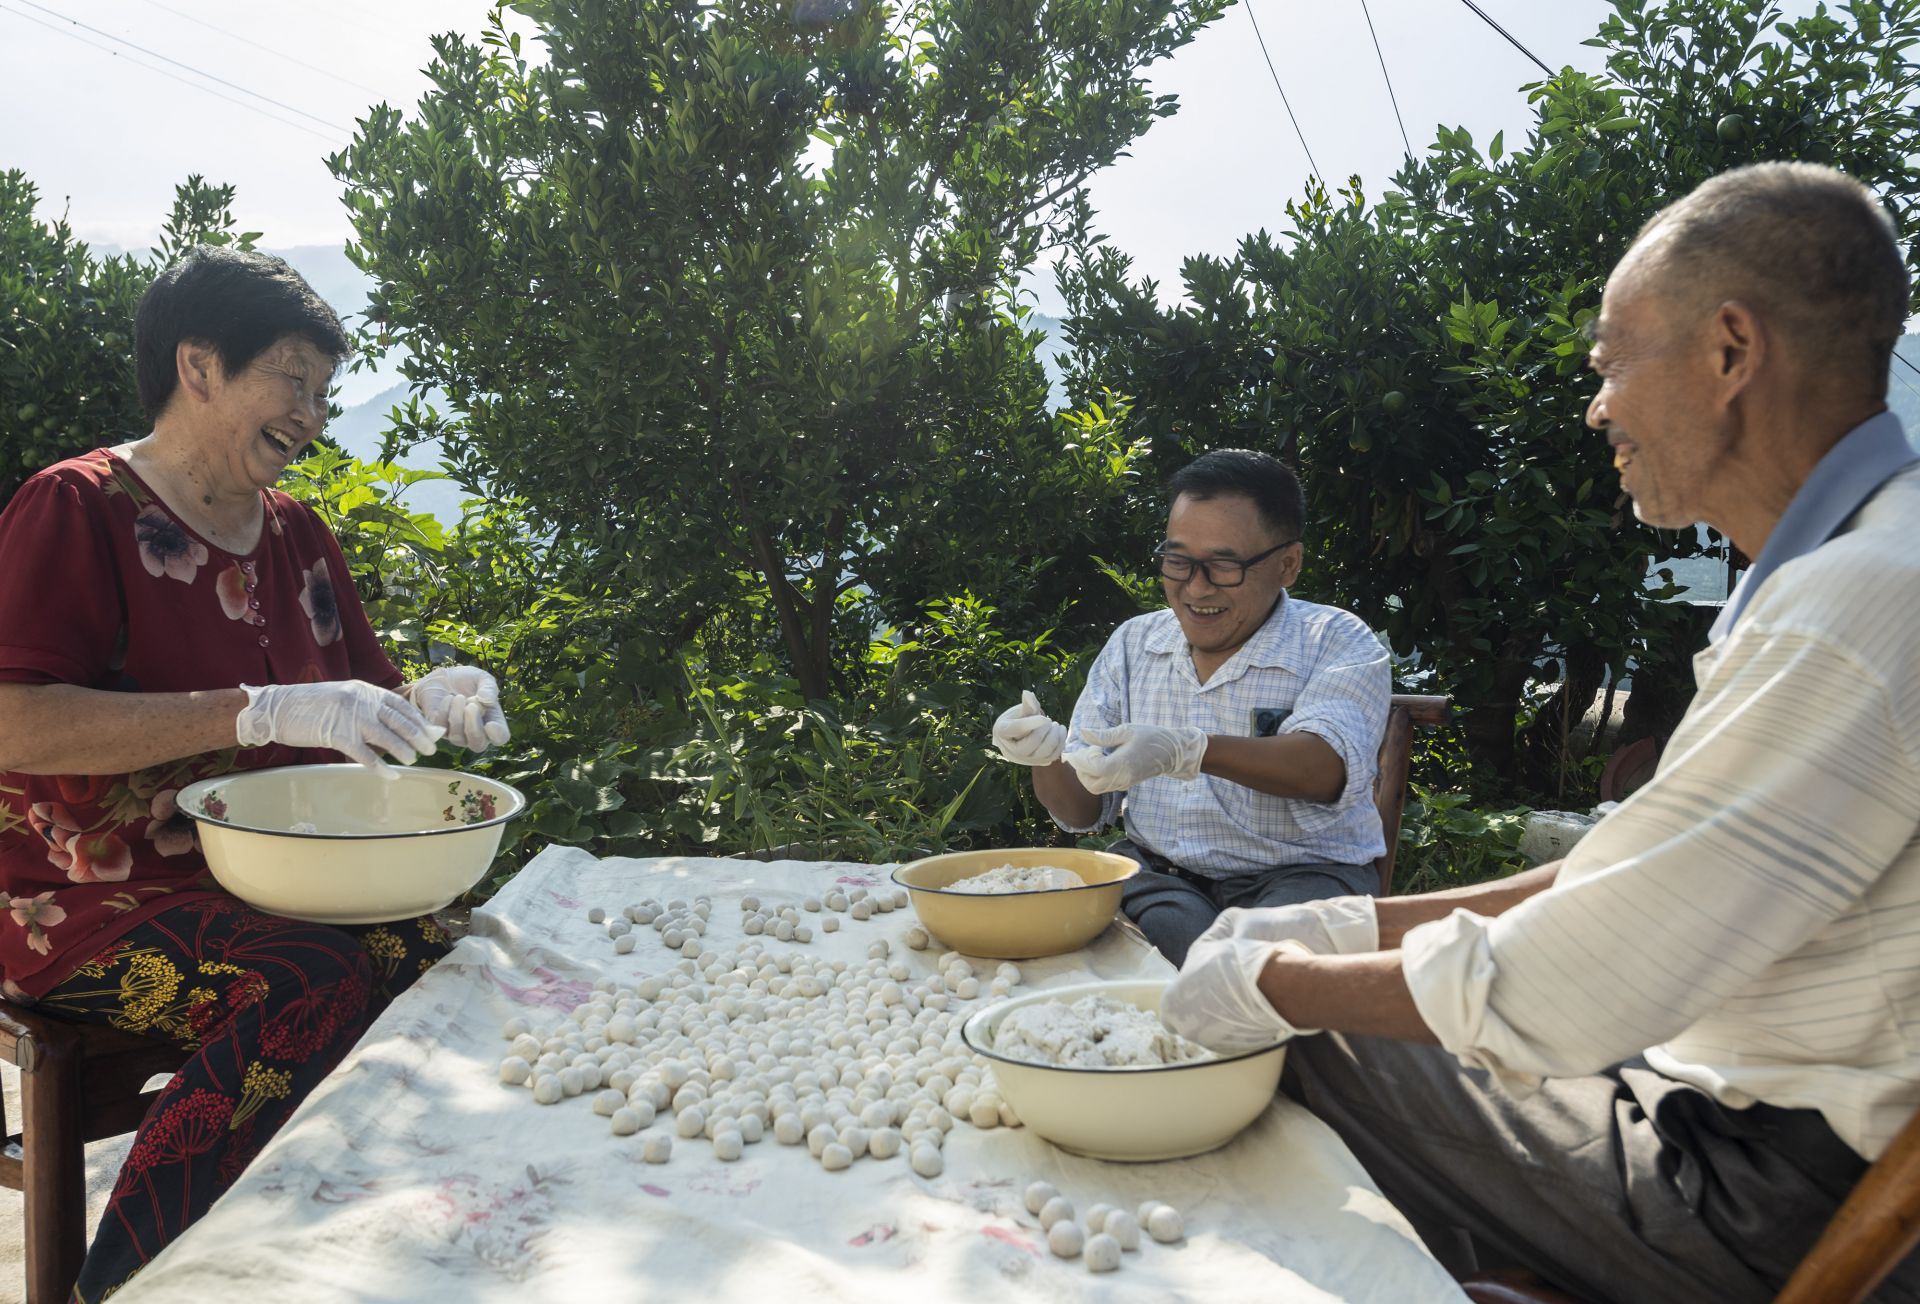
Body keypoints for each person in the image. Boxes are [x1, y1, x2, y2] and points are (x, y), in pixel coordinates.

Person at [1160, 162, 1920, 1304]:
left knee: (1308, 1030)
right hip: (1716, 1100)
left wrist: (1281, 973)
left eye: (1612, 363)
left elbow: (1573, 979)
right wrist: (1352, 919)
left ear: (1729, 351)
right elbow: (1617, 872)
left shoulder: (1861, 603)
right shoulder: (1840, 566)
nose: (1597, 405)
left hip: (1755, 1186)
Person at [0, 246, 512, 1301]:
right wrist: (252, 708)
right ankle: (131, 1284)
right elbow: (14, 718)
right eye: (291, 378)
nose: (313, 413)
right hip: (81, 899)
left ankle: (351, 1255)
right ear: (199, 365)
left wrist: (434, 698)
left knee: (451, 938)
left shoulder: (297, 535)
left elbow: (364, 702)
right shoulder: (77, 508)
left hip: (268, 878)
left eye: (325, 391)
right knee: (307, 980)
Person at [992, 449, 1392, 965]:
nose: (1195, 587)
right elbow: (1083, 809)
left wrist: (1188, 750)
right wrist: (1045, 756)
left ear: (1287, 564)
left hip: (1302, 876)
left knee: (1259, 970)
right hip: (1162, 878)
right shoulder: (1135, 645)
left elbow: (1323, 768)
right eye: (1178, 561)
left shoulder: (1335, 641)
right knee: (1138, 948)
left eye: (1223, 565)